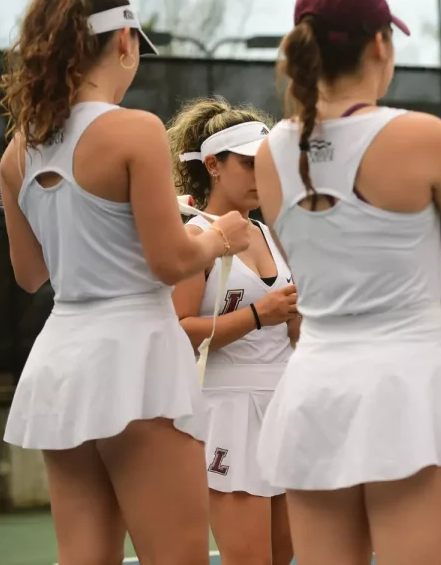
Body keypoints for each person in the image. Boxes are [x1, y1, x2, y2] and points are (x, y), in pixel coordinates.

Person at [0, 0, 252, 565]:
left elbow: (30, 274)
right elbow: (170, 262)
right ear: (124, 44)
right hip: (134, 356)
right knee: (179, 555)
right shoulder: (134, 128)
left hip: (61, 361)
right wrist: (220, 235)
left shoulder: (17, 149)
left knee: (84, 556)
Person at [253, 0, 441, 565]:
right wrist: (440, 236)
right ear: (379, 46)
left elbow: (307, 256)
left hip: (315, 386)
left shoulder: (270, 151)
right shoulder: (418, 135)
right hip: (407, 384)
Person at [167, 97, 299, 565]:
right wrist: (258, 315)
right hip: (227, 411)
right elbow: (180, 330)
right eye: (248, 164)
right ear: (213, 166)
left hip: (284, 406)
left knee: (284, 557)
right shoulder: (191, 235)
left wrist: (303, 317)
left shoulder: (270, 232)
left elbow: (293, 334)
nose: (260, 177)